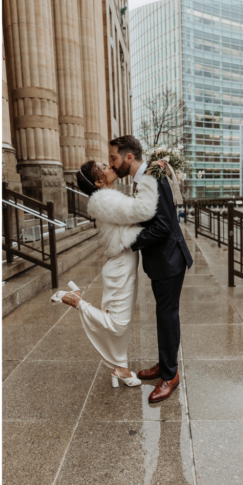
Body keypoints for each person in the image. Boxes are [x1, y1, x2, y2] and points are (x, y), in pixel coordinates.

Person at [108, 135, 193, 403]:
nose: (112, 164)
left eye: (114, 158)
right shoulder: (145, 178)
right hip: (163, 261)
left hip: (169, 261)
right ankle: (165, 363)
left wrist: (130, 241)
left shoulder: (151, 179)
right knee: (164, 316)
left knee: (167, 316)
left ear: (129, 157)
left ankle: (170, 376)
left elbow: (164, 226)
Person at [60, 159, 159, 386]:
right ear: (97, 180)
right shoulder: (103, 200)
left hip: (125, 262)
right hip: (120, 265)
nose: (109, 166)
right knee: (118, 323)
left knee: (123, 321)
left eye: (106, 163)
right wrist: (150, 177)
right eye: (103, 167)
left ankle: (120, 369)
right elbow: (143, 211)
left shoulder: (109, 196)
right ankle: (77, 302)